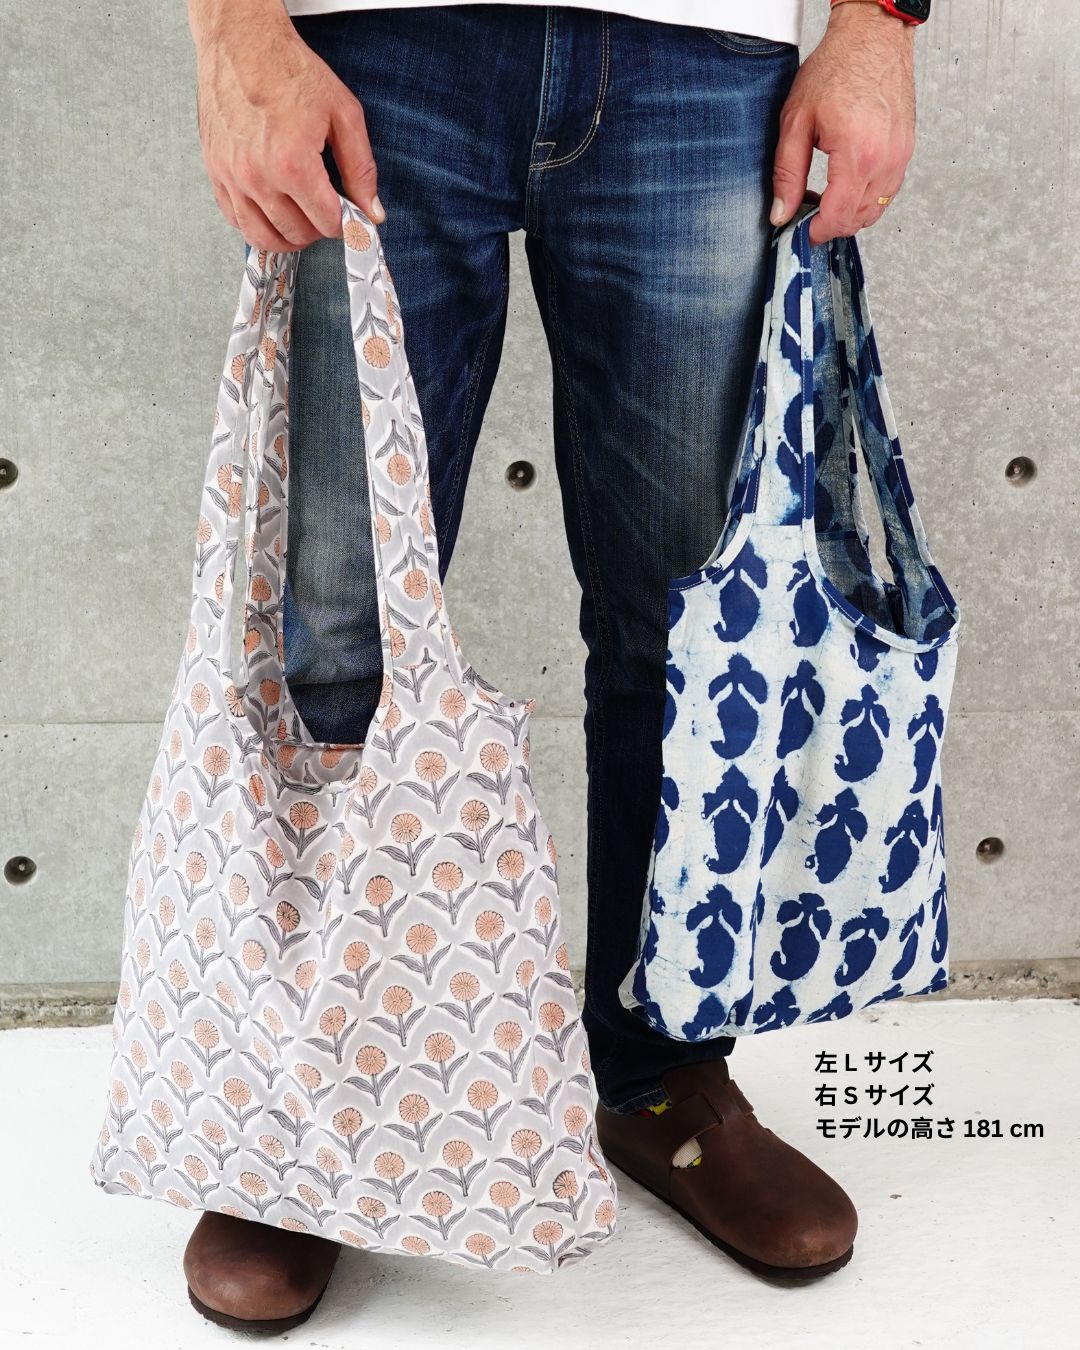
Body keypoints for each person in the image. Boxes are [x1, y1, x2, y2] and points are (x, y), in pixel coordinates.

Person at [181, 0, 919, 1328]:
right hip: (363, 41)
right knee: (331, 618)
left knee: (689, 632)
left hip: (700, 47)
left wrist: (879, 24)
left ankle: (660, 1078)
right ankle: (294, 1108)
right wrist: (232, 28)